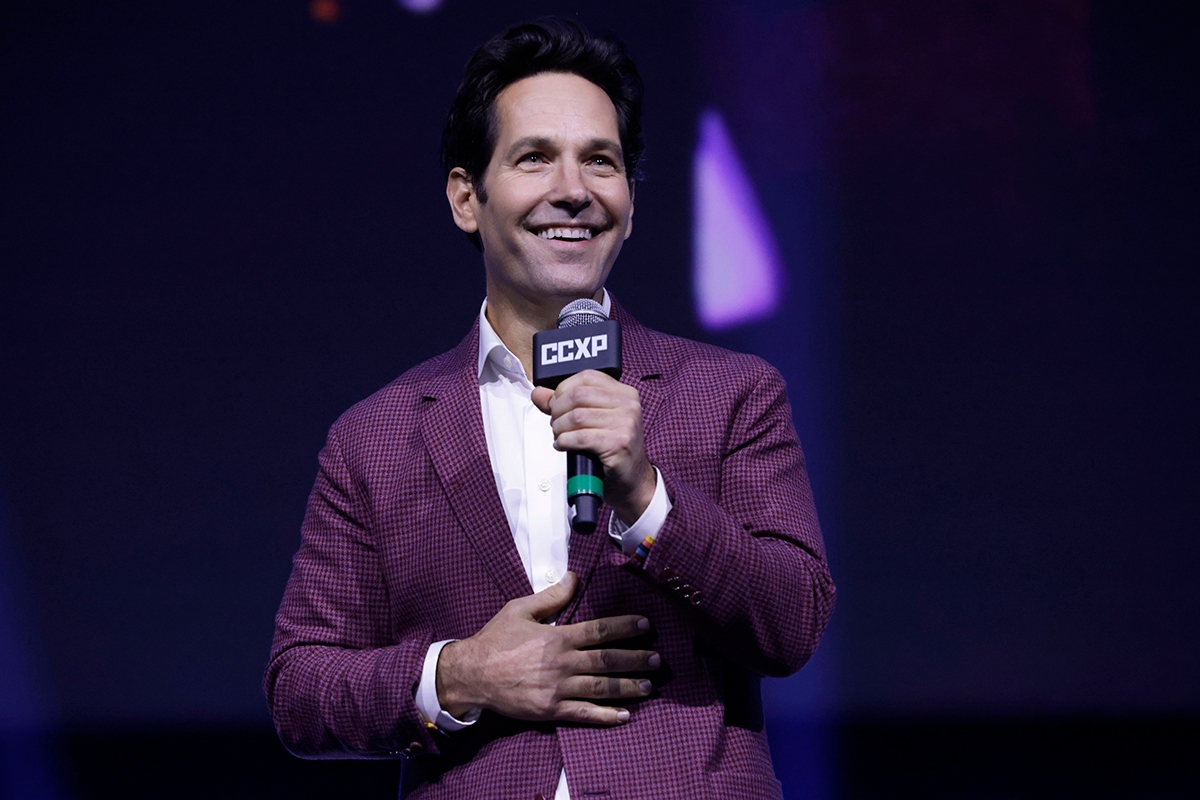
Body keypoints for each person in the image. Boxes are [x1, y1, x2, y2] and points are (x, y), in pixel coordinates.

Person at [265, 18, 835, 800]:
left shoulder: (733, 392)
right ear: (468, 197)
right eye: (535, 157)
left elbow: (793, 621)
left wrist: (648, 496)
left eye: (600, 161)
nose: (573, 189)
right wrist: (461, 673)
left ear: (630, 203)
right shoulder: (376, 436)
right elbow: (302, 688)